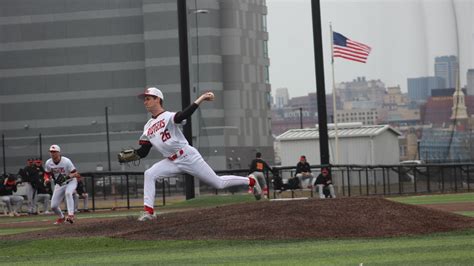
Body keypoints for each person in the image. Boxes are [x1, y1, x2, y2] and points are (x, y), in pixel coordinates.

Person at [118, 87, 262, 222]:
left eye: (148, 98)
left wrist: (201, 98)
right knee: (149, 174)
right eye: (144, 99)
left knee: (218, 183)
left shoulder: (168, 116)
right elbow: (143, 152)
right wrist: (132, 155)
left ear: (157, 99)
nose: (145, 101)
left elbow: (183, 116)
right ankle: (149, 212)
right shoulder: (148, 126)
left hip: (187, 156)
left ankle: (251, 181)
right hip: (171, 161)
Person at [44, 144, 80, 224]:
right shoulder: (48, 162)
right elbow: (47, 173)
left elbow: (76, 173)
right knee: (53, 206)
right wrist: (46, 179)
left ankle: (71, 215)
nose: (52, 153)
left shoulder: (66, 161)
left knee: (68, 193)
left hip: (71, 181)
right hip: (60, 184)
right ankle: (62, 218)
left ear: (59, 152)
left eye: (54, 152)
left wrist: (66, 177)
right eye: (51, 152)